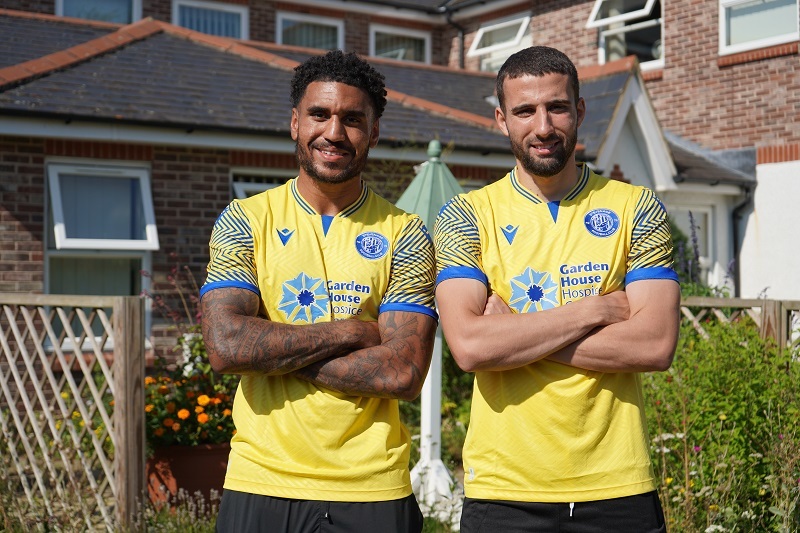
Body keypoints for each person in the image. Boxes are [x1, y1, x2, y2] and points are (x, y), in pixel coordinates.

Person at [433, 46, 680, 532]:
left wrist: (515, 336)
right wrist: (595, 310)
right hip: (504, 491)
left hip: (618, 486)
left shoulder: (637, 208)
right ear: (502, 120)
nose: (543, 126)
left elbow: (654, 344)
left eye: (557, 107)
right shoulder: (466, 216)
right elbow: (470, 347)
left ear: (580, 111)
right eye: (525, 111)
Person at [199, 50, 438, 533]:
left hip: (373, 487)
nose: (333, 132)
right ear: (294, 123)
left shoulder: (405, 233)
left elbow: (403, 373)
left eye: (352, 119)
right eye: (319, 115)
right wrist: (353, 331)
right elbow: (226, 347)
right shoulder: (246, 220)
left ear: (373, 132)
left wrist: (270, 350)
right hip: (262, 481)